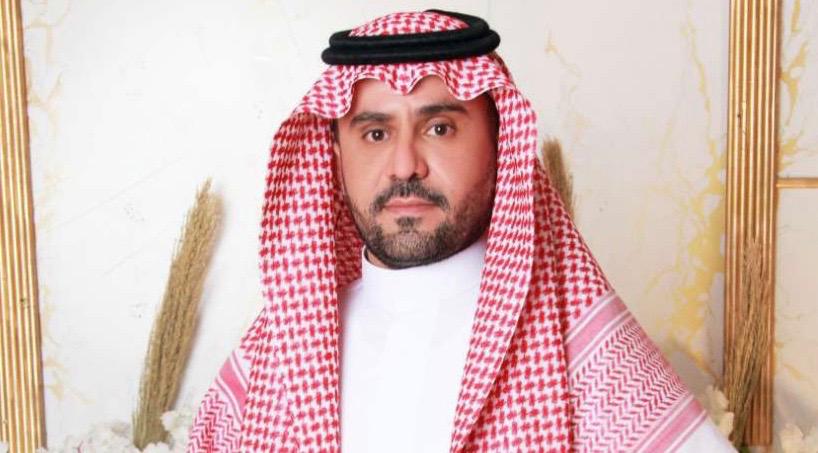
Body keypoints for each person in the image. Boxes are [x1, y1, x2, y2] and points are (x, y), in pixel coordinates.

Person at [188, 10, 735, 452]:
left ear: (501, 145)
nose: (405, 165)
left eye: (439, 128)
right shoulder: (275, 355)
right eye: (375, 134)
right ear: (335, 155)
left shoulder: (585, 353)